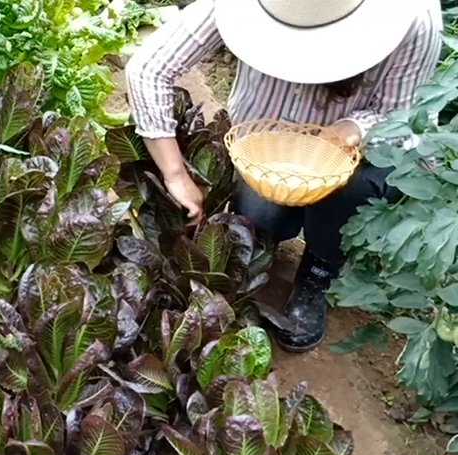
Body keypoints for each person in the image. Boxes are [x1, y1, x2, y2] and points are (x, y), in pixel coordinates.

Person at [125, 0, 443, 353]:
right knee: (262, 218)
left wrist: (351, 129)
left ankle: (319, 271)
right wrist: (174, 175)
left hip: (355, 156)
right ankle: (261, 247)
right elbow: (148, 70)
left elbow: (402, 117)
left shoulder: (412, 16)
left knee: (356, 189)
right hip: (262, 148)